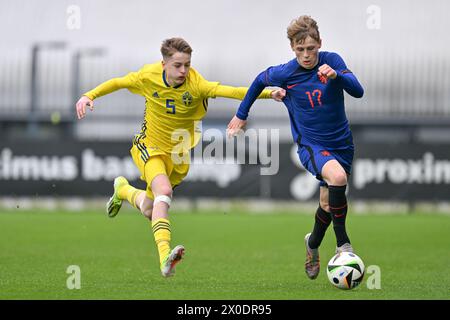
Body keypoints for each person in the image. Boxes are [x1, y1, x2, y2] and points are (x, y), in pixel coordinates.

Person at [75, 37, 284, 278]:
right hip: (149, 147)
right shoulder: (147, 76)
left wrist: (270, 94)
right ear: (164, 64)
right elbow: (118, 82)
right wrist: (88, 95)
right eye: (178, 65)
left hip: (179, 153)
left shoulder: (196, 85)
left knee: (150, 209)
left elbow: (234, 91)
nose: (184, 70)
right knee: (164, 190)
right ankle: (164, 255)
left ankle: (123, 190)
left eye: (187, 64)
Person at [227, 16, 364, 280]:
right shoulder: (286, 72)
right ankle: (343, 246)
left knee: (326, 204)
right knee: (338, 178)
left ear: (319, 44)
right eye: (300, 49)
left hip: (342, 144)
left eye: (311, 49)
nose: (306, 55)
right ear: (292, 48)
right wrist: (241, 115)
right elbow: (258, 81)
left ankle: (312, 244)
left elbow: (358, 91)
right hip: (311, 145)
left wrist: (337, 76)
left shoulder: (332, 61)